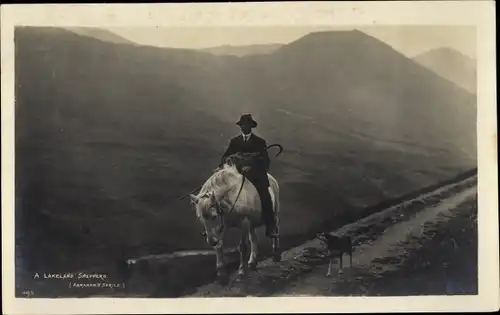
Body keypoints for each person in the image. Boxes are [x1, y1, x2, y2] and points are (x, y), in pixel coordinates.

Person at [219, 114, 276, 237]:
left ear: (251, 126)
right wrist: (225, 164)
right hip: (238, 175)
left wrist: (252, 167)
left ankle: (271, 226)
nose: (244, 128)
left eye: (247, 125)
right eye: (242, 125)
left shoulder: (260, 142)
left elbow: (265, 161)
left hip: (256, 177)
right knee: (221, 194)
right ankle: (219, 224)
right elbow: (225, 157)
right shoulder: (234, 142)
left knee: (265, 195)